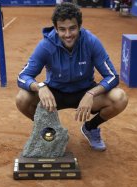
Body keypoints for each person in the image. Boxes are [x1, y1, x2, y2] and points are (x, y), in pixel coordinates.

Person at [15, 2, 128, 151]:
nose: (67, 34)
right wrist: (40, 87)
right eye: (62, 29)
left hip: (85, 91)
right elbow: (23, 76)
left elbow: (112, 76)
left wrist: (91, 93)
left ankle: (90, 128)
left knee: (120, 98)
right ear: (56, 28)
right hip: (55, 93)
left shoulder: (91, 42)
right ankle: (50, 129)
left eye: (72, 28)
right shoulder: (45, 45)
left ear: (79, 26)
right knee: (22, 98)